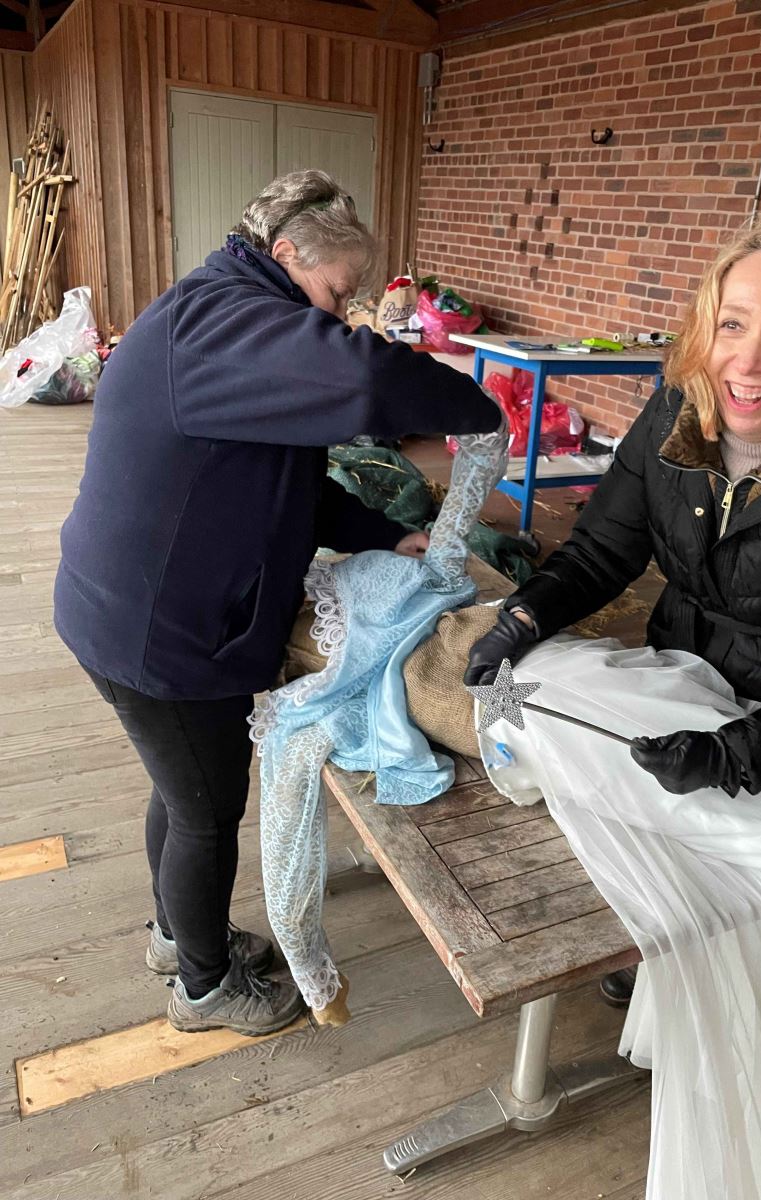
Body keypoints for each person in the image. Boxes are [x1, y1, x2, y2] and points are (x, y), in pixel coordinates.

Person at [54, 169, 502, 1036]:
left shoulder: (233, 320)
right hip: (153, 628)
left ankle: (178, 936)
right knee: (206, 808)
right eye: (338, 293)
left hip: (135, 606)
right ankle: (203, 989)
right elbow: (365, 384)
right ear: (287, 254)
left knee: (180, 788)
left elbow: (288, 474)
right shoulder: (228, 323)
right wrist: (477, 409)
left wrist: (381, 531)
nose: (340, 314)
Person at [465, 214, 761, 1005]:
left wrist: (730, 757)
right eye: (732, 323)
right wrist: (524, 618)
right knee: (581, 760)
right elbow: (602, 552)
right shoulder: (678, 408)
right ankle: (652, 944)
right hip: (684, 672)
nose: (748, 360)